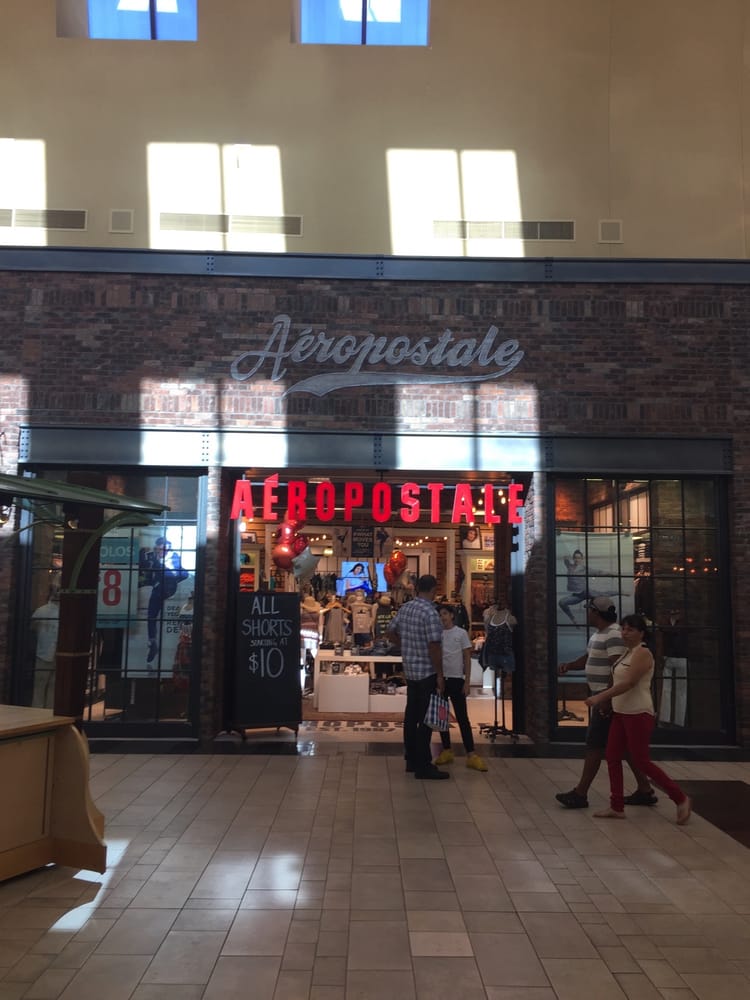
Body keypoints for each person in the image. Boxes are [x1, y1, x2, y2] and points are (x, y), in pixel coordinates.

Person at [585, 614, 691, 824]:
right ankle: (617, 806)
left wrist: (600, 697)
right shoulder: (627, 653)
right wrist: (610, 704)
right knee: (612, 756)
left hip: (638, 714)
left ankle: (680, 798)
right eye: (623, 629)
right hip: (621, 713)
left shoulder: (643, 653)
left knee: (641, 760)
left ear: (641, 633)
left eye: (630, 629)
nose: (625, 633)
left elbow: (629, 683)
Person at [555, 596, 657, 809]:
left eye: (589, 610)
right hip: (603, 697)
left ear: (596, 612)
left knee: (594, 744)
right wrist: (570, 666)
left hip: (606, 698)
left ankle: (581, 793)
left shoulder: (613, 634)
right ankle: (645, 789)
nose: (586, 613)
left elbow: (616, 668)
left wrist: (606, 699)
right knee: (623, 748)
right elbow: (589, 657)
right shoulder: (599, 634)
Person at [387, 574, 448, 780]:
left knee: (411, 717)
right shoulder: (430, 613)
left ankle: (411, 760)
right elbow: (434, 646)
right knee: (425, 720)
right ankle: (423, 765)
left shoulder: (406, 608)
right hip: (426, 672)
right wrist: (440, 674)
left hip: (410, 671)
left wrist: (405, 645)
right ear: (433, 590)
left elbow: (390, 631)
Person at [433, 605, 488, 771]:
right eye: (439, 615)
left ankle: (471, 754)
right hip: (441, 680)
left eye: (444, 614)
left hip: (457, 679)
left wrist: (467, 681)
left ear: (451, 615)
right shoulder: (437, 634)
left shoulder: (461, 633)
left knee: (462, 718)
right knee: (442, 717)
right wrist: (438, 677)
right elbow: (435, 656)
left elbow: (466, 657)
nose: (442, 617)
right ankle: (446, 749)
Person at [139, 536, 188, 664]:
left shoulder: (173, 557)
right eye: (158, 549)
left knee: (155, 611)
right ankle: (152, 642)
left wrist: (157, 564)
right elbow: (149, 574)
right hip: (158, 588)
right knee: (151, 616)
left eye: (162, 549)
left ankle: (154, 642)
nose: (160, 552)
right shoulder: (154, 557)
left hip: (168, 588)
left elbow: (174, 574)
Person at [558, 549, 621, 624]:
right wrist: (566, 556)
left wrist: (610, 574)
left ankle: (620, 592)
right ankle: (573, 619)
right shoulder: (570, 566)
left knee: (602, 594)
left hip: (585, 592)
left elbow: (598, 572)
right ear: (573, 558)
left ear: (581, 559)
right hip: (577, 595)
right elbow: (566, 560)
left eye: (579, 558)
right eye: (575, 558)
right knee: (562, 602)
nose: (577, 560)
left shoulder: (584, 569)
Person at [31, 584, 60, 708]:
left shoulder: (40, 611)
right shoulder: (41, 611)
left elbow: (33, 628)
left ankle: (42, 713)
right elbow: (33, 628)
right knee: (45, 687)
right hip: (46, 653)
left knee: (44, 687)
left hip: (48, 653)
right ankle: (43, 713)